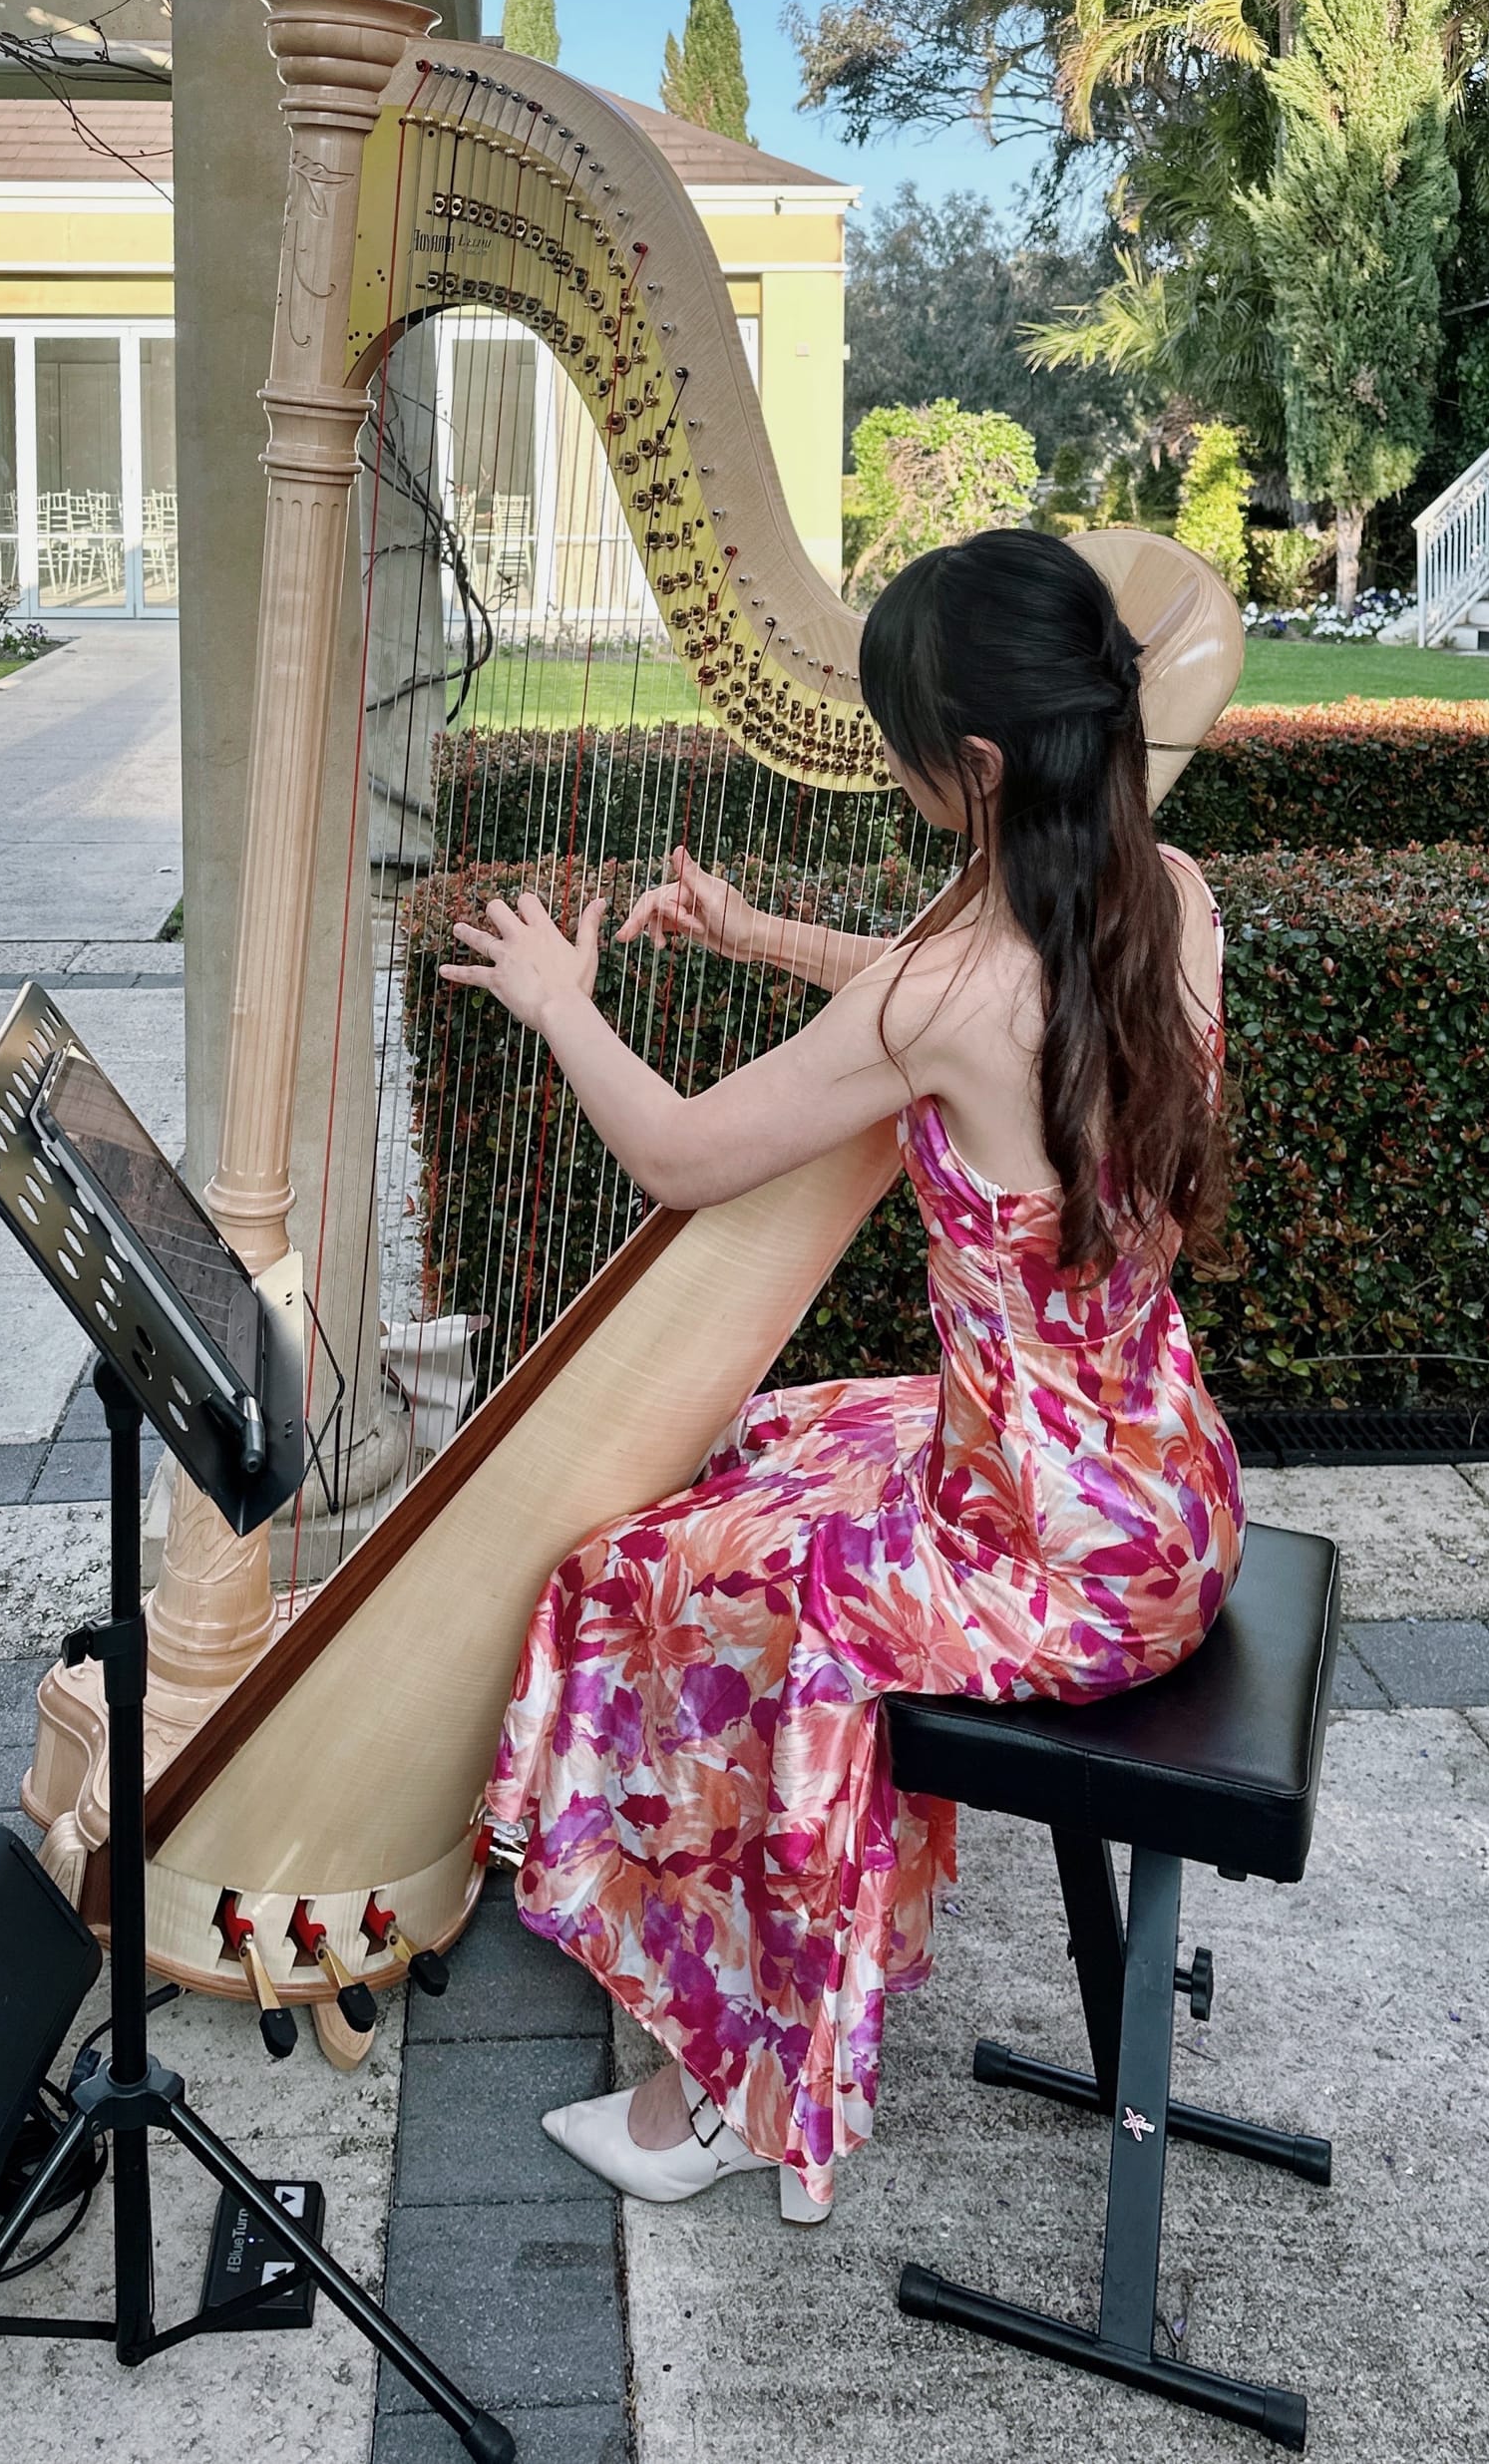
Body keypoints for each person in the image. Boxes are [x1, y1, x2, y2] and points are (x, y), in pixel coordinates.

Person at [439, 528, 1244, 2224]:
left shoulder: (958, 988)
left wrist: (561, 998)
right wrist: (762, 938)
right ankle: (787, 1955)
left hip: (1039, 1557)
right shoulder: (1165, 897)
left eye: (896, 750)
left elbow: (674, 1152)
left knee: (634, 1581)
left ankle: (734, 2078)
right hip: (1160, 1500)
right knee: (778, 1442)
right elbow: (934, 1006)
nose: (883, 774)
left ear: (970, 767)